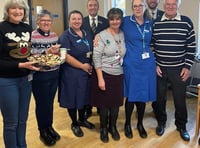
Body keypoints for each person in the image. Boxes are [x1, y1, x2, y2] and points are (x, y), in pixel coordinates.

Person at [151, 0, 196, 142]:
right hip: (160, 68)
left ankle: (181, 126)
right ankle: (161, 122)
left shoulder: (186, 22)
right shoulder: (156, 23)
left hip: (179, 69)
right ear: (164, 6)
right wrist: (155, 64)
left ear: (178, 6)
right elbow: (152, 46)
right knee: (159, 99)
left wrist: (187, 66)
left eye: (173, 4)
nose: (170, 7)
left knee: (180, 100)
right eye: (168, 4)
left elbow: (191, 46)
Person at [0, 0, 40, 147]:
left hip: (25, 79)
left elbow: (26, 53)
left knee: (23, 120)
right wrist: (20, 64)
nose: (18, 11)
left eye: (21, 9)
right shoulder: (1, 27)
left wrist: (35, 59)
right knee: (11, 123)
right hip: (6, 81)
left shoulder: (27, 27)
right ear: (7, 11)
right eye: (13, 8)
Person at [121, 0, 156, 139]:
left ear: (144, 6)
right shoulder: (125, 21)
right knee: (131, 95)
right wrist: (99, 37)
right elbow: (111, 28)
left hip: (147, 64)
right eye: (135, 6)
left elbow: (154, 40)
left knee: (142, 95)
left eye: (140, 5)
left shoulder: (150, 22)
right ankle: (127, 124)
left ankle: (140, 124)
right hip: (131, 63)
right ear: (131, 8)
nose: (137, 8)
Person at [90, 8, 126, 143]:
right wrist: (100, 79)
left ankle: (113, 127)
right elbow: (96, 57)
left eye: (117, 18)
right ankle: (103, 129)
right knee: (104, 105)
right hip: (104, 73)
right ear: (108, 20)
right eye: (112, 19)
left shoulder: (123, 34)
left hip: (118, 74)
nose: (115, 21)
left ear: (121, 20)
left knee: (116, 105)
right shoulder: (101, 36)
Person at [58, 10, 95, 138]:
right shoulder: (65, 36)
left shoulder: (86, 33)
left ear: (82, 20)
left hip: (86, 72)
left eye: (79, 19)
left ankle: (82, 119)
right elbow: (65, 56)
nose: (77, 21)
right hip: (72, 73)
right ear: (69, 21)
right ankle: (74, 123)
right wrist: (82, 66)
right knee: (72, 99)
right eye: (74, 19)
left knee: (83, 97)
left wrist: (89, 67)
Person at [31, 9, 60, 146]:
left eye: (49, 20)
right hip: (40, 75)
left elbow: (55, 55)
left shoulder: (54, 35)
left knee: (49, 103)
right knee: (42, 104)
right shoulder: (32, 36)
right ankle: (42, 131)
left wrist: (59, 54)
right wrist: (45, 51)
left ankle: (49, 127)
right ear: (38, 22)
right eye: (43, 20)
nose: (46, 23)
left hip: (54, 73)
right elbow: (31, 57)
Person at [82, 0, 109, 119]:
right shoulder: (81, 21)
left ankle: (99, 106)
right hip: (85, 58)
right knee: (87, 84)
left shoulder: (105, 21)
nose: (93, 7)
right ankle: (88, 107)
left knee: (99, 81)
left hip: (102, 58)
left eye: (95, 5)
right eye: (90, 5)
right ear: (87, 7)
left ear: (98, 7)